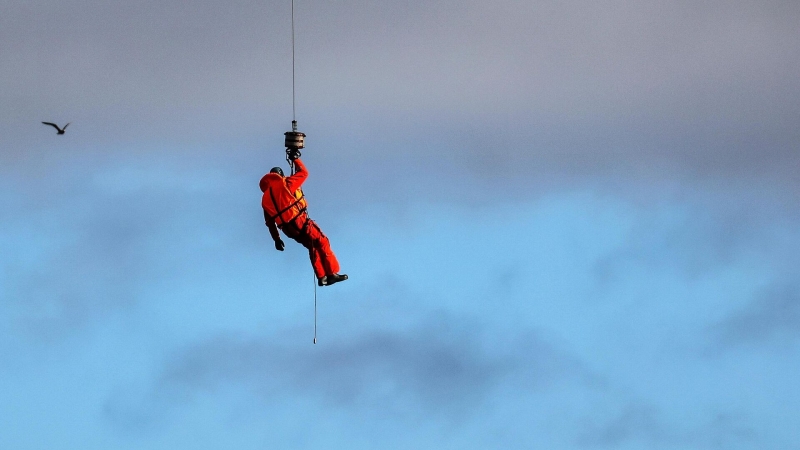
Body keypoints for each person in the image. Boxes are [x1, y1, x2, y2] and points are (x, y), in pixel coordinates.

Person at [260, 157, 347, 286]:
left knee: (313, 247)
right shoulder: (286, 183)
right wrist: (296, 159)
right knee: (322, 241)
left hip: (289, 231)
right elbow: (304, 173)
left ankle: (322, 277)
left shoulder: (265, 198)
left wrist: (277, 240)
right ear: (280, 175)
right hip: (300, 221)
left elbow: (270, 223)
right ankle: (332, 273)